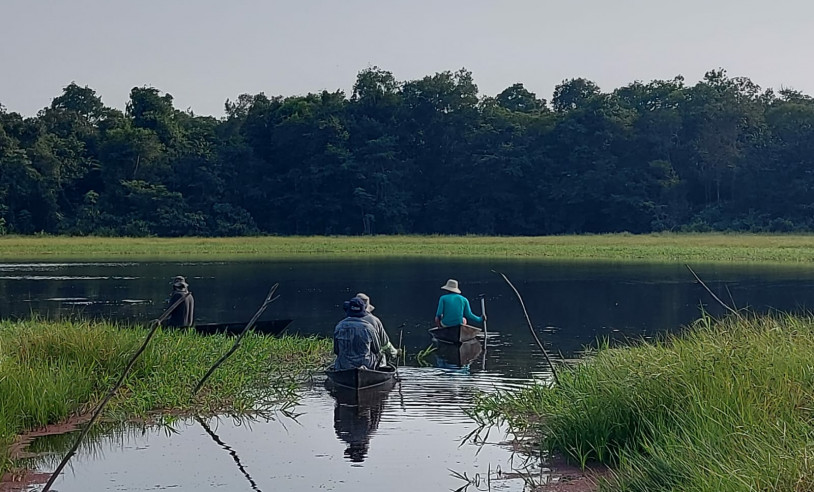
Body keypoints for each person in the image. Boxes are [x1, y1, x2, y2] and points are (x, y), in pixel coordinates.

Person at [333, 297, 381, 370]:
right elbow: (376, 349)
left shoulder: (339, 327)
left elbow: (336, 351)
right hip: (366, 365)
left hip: (344, 365)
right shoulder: (369, 328)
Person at [356, 292, 398, 366]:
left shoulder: (344, 323)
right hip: (372, 364)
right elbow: (385, 344)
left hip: (347, 364)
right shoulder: (374, 320)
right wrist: (394, 353)